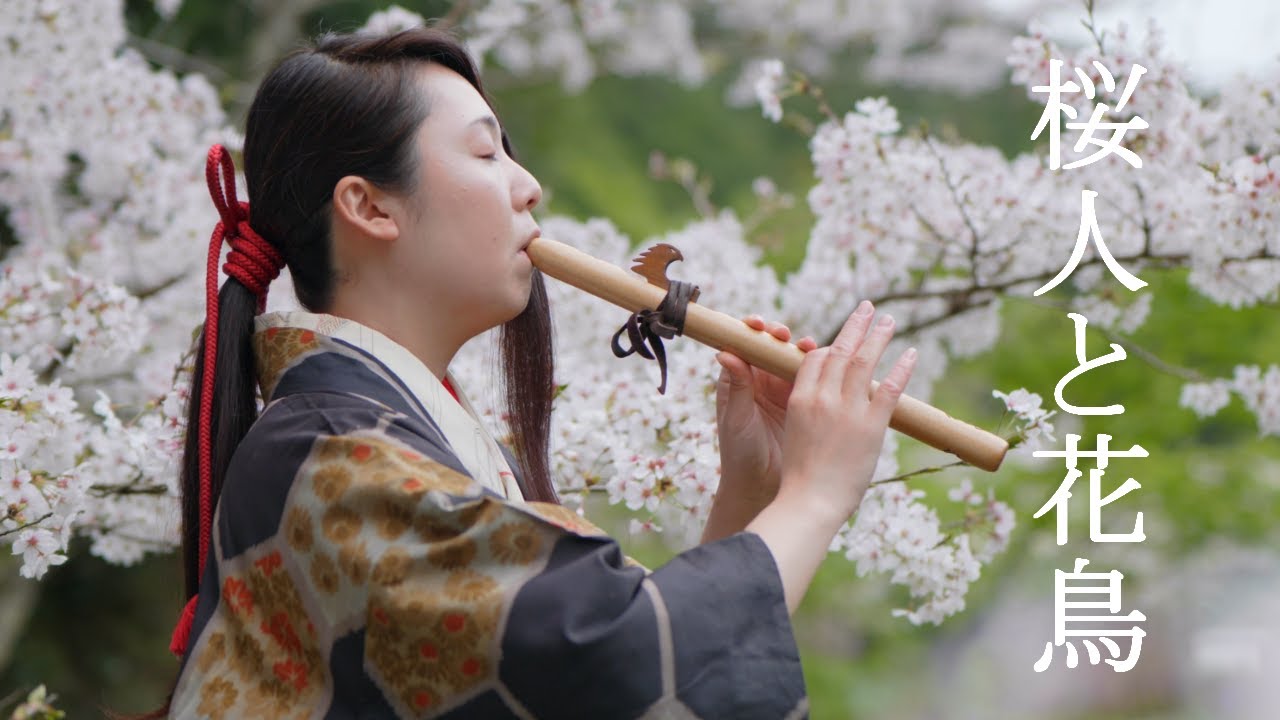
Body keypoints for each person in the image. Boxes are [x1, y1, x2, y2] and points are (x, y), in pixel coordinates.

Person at [157, 24, 916, 720]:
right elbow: (613, 666)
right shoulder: (332, 460)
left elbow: (585, 669)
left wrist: (754, 491)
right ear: (370, 207)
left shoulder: (368, 443)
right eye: (486, 154)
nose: (528, 186)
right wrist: (815, 496)